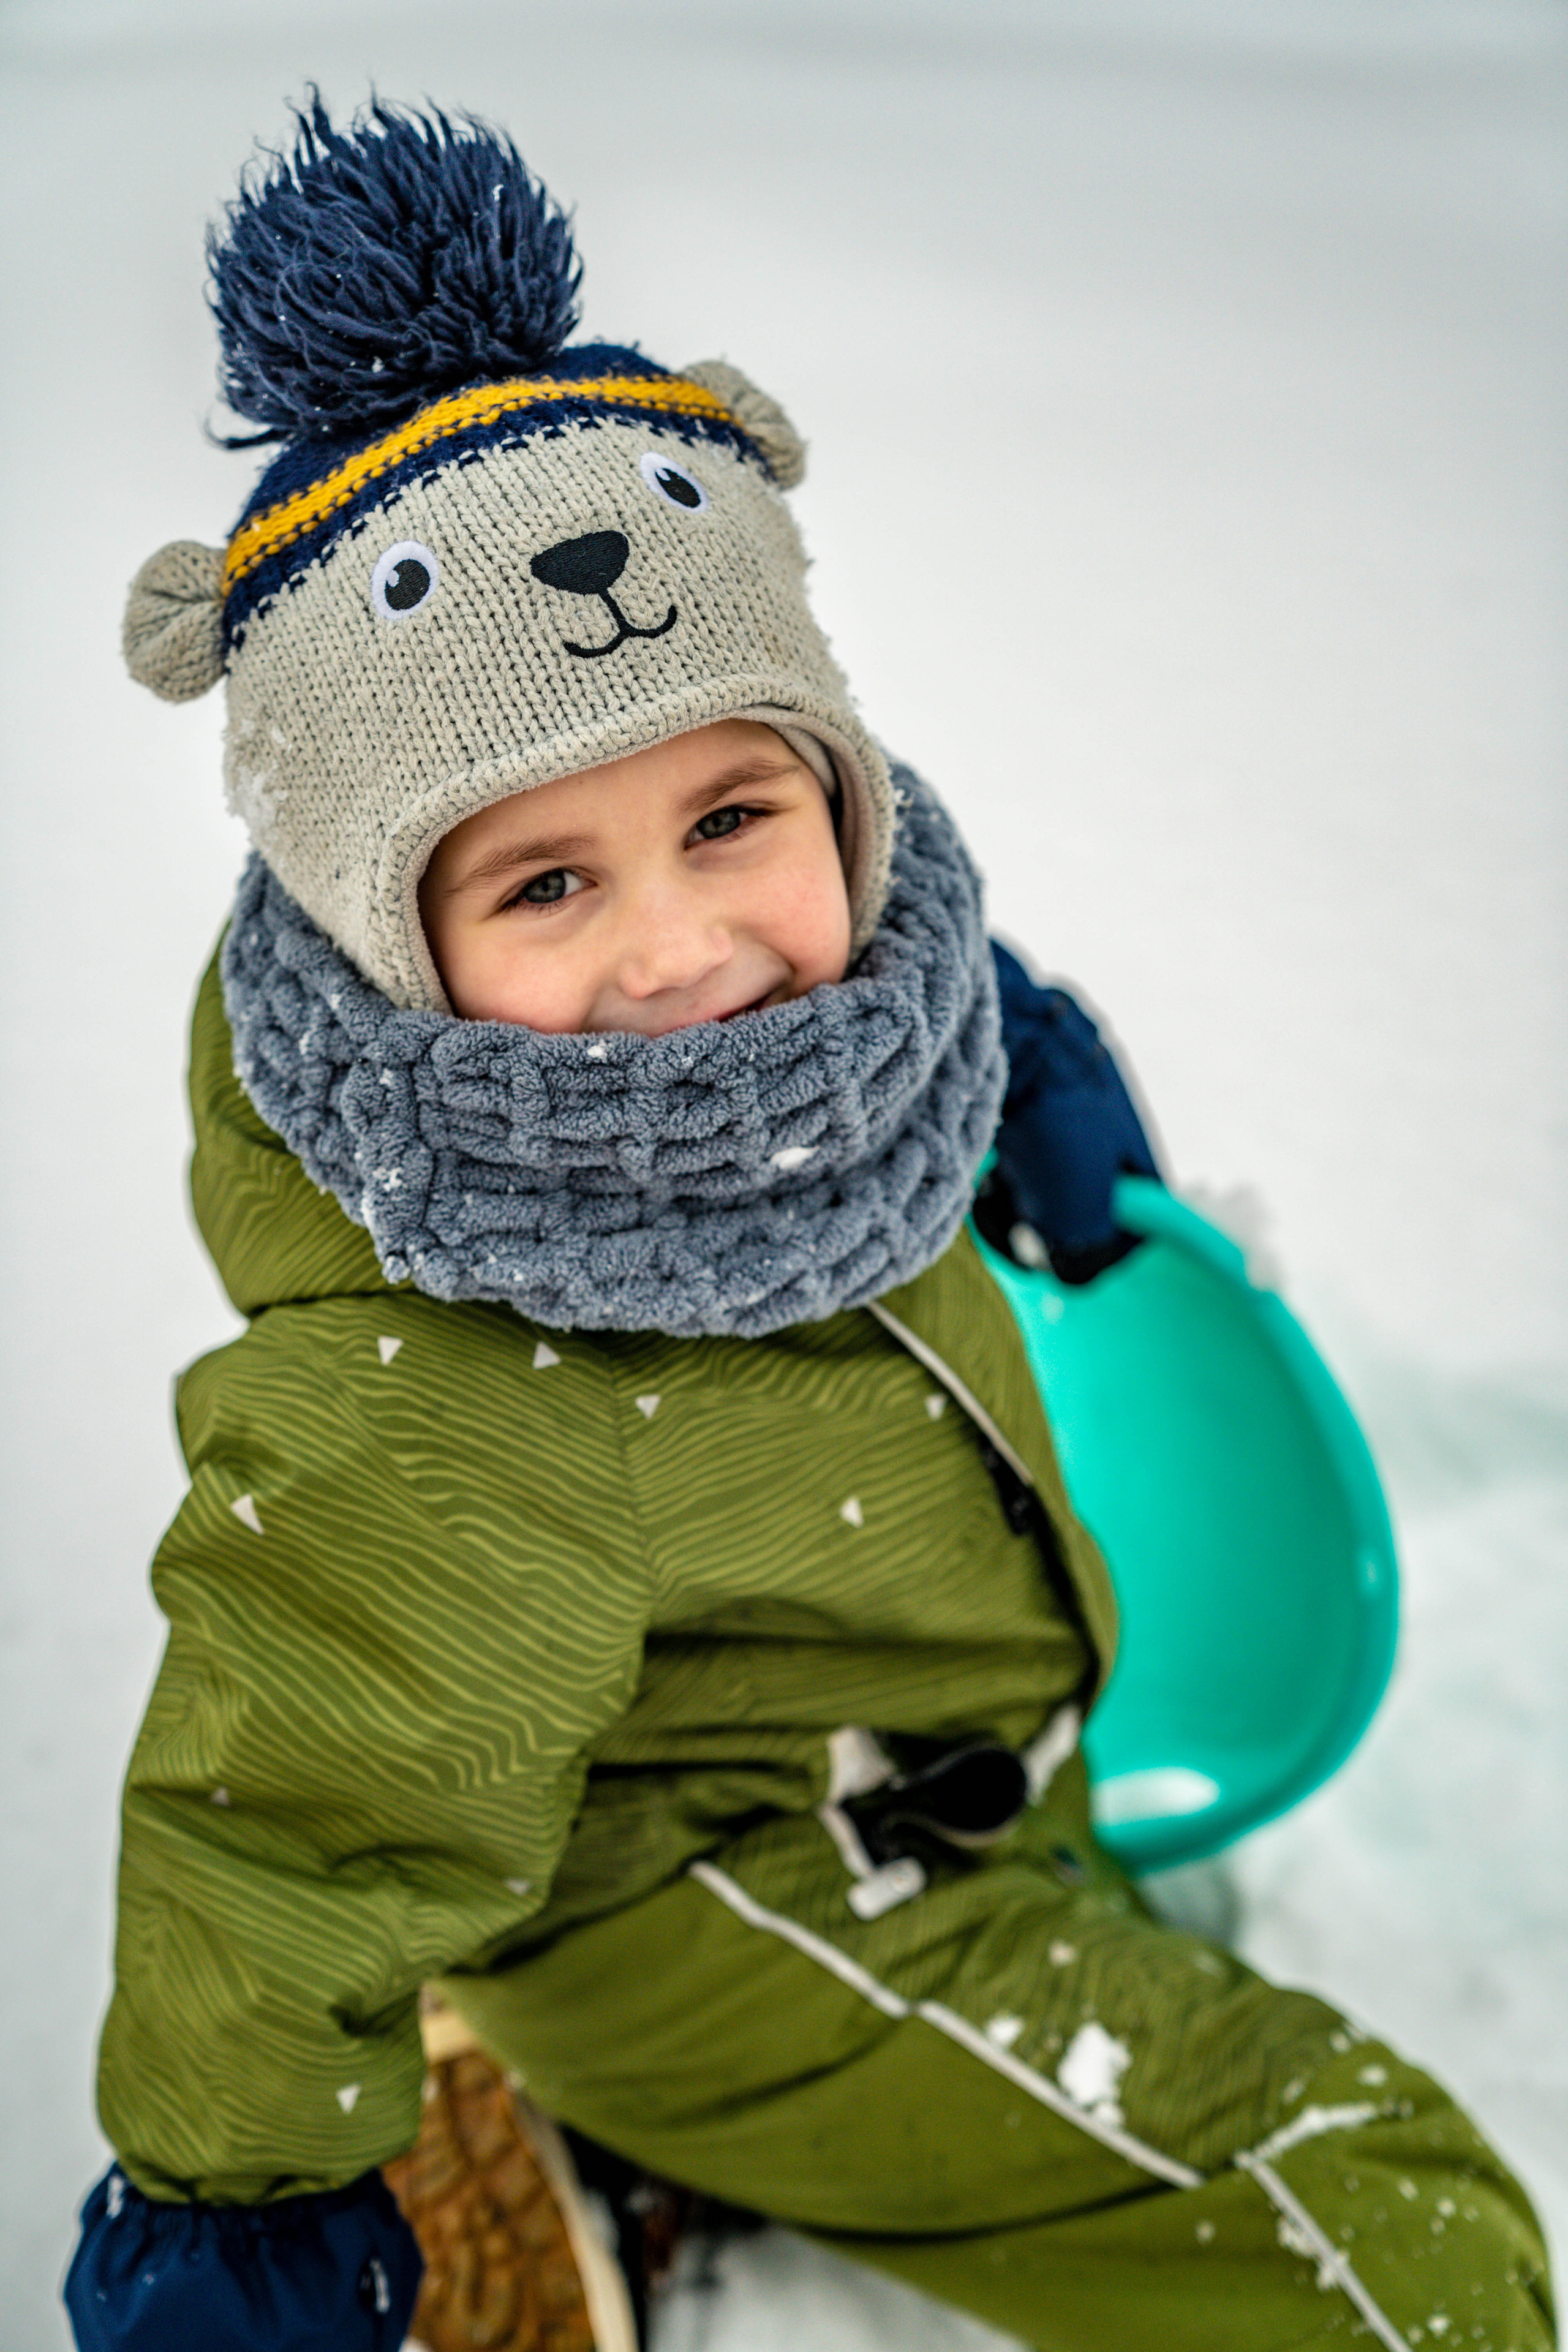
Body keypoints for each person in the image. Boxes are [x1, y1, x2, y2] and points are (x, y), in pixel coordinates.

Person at [66, 94, 1553, 2352]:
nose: (687, 955)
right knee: (1382, 2222)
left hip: (923, 1758)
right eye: (548, 882)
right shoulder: (440, 1402)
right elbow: (290, 1826)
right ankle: (647, 2101)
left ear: (837, 794)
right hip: (732, 1909)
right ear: (392, 944)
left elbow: (882, 975)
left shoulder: (843, 1038)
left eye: (733, 815)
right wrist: (235, 2200)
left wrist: (1020, 1060)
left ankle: (675, 2146)